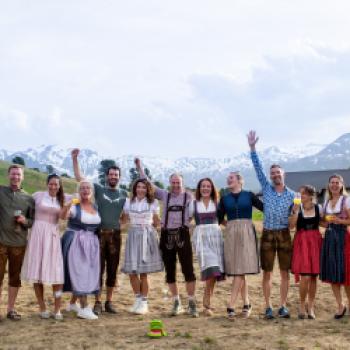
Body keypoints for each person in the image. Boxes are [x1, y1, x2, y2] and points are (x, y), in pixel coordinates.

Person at [135, 158, 198, 317]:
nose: (176, 185)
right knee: (170, 271)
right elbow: (148, 183)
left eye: (178, 182)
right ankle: (177, 302)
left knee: (188, 270)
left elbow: (196, 213)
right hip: (166, 235)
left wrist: (190, 223)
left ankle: (191, 303)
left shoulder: (189, 197)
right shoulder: (164, 195)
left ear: (182, 183)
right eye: (173, 182)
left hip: (183, 235)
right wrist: (139, 167)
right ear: (170, 183)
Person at [71, 149, 127, 315]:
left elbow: (126, 215)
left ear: (119, 177)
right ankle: (97, 302)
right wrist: (75, 159)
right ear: (106, 176)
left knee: (112, 269)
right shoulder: (99, 189)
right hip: (99, 234)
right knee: (97, 269)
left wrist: (121, 224)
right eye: (111, 174)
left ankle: (109, 302)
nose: (113, 177)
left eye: (116, 175)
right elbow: (80, 178)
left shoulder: (124, 194)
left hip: (115, 236)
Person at [247, 130, 295, 319]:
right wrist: (252, 148)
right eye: (272, 173)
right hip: (267, 234)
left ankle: (283, 306)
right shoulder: (266, 188)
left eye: (278, 172)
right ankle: (268, 306)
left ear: (284, 174)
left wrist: (295, 215)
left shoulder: (293, 196)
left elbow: (293, 223)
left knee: (284, 272)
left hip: (284, 234)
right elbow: (257, 167)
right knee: (267, 272)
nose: (275, 175)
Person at [21, 174, 68, 320]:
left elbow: (63, 217)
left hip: (52, 236)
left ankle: (57, 309)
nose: (53, 186)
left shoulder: (63, 199)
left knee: (57, 274)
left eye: (56, 184)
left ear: (59, 186)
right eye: (51, 184)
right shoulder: (37, 196)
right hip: (37, 234)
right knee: (37, 273)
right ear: (47, 184)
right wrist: (23, 219)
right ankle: (42, 308)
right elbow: (24, 205)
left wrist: (68, 206)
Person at [218, 172, 263, 319]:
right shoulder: (224, 199)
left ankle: (231, 304)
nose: (228, 180)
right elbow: (218, 218)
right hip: (232, 234)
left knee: (239, 269)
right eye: (228, 178)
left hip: (247, 233)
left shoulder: (249, 195)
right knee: (239, 268)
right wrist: (230, 226)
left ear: (240, 180)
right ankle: (247, 303)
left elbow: (265, 208)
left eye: (231, 178)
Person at [121, 178, 163, 315]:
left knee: (143, 272)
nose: (140, 189)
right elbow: (123, 220)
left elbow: (157, 223)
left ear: (147, 190)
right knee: (132, 272)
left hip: (147, 235)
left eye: (143, 187)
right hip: (133, 235)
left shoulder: (153, 203)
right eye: (138, 187)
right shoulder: (128, 202)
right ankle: (138, 300)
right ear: (134, 189)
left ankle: (144, 302)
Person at [61, 180, 101, 320]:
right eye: (82, 188)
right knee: (80, 273)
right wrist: (67, 205)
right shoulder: (74, 206)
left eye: (88, 188)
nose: (85, 190)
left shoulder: (95, 206)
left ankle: (72, 304)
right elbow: (63, 216)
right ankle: (84, 308)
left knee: (87, 273)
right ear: (79, 191)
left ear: (91, 191)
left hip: (91, 244)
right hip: (76, 242)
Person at [0, 164, 35, 321]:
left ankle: (11, 309)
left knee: (15, 278)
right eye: (13, 174)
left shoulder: (29, 198)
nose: (15, 177)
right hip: (0, 242)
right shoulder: (0, 191)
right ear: (9, 175)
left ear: (23, 177)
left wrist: (25, 221)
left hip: (19, 245)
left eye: (18, 175)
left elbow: (33, 222)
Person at [190, 178, 224, 316]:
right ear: (199, 188)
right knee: (210, 267)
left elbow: (222, 220)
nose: (205, 188)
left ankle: (207, 302)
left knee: (215, 271)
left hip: (216, 238)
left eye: (208, 186)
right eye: (203, 186)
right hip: (201, 238)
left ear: (212, 188)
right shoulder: (193, 204)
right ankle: (206, 303)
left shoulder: (217, 203)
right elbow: (186, 220)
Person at [289, 185, 323, 319]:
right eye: (300, 193)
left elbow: (324, 222)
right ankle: (302, 305)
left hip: (315, 241)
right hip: (302, 242)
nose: (300, 196)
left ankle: (311, 306)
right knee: (305, 276)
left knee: (313, 276)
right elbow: (291, 226)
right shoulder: (296, 207)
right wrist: (295, 211)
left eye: (303, 194)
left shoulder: (318, 208)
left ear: (310, 196)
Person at [320, 174, 350, 319]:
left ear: (341, 184)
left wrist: (340, 220)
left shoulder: (347, 200)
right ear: (329, 185)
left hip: (344, 237)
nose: (334, 185)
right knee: (333, 272)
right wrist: (323, 222)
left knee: (345, 273)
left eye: (337, 182)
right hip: (330, 238)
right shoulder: (325, 203)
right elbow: (323, 223)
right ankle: (340, 305)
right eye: (332, 182)